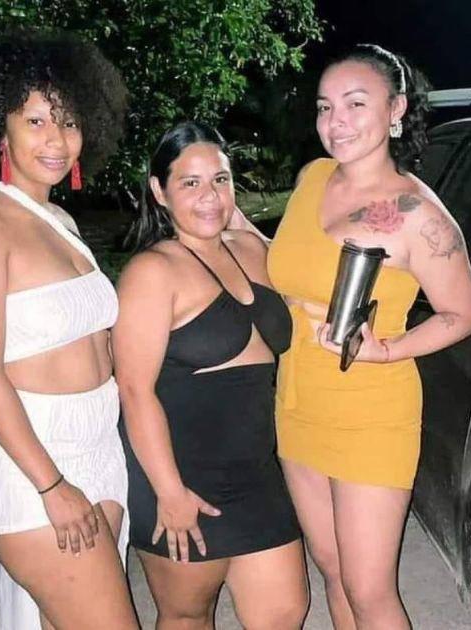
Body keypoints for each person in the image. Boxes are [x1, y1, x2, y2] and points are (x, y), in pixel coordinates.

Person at [252, 44, 471, 629]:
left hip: (370, 409)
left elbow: (461, 314)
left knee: (369, 590)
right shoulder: (312, 178)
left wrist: (387, 350)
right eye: (325, 106)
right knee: (332, 568)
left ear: (395, 109)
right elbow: (292, 263)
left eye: (356, 103)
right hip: (298, 399)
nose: (337, 121)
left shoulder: (417, 214)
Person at [0, 33, 137, 630]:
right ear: (0, 130)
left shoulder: (60, 220)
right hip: (32, 456)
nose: (57, 139)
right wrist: (51, 485)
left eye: (70, 122)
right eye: (37, 121)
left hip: (98, 444)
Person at [114, 122, 309, 630]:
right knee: (188, 617)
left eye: (220, 180)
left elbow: (306, 292)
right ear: (159, 191)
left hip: (257, 474)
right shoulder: (152, 272)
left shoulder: (251, 250)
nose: (210, 196)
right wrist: (169, 492)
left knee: (285, 612)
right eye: (190, 182)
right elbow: (134, 391)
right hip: (181, 476)